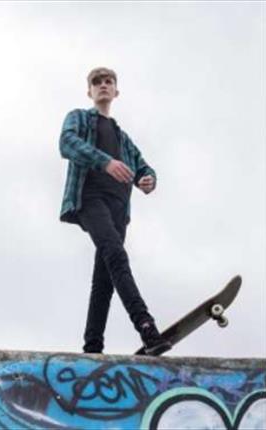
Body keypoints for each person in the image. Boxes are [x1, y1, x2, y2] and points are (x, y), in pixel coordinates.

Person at [59, 67, 171, 355]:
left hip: (118, 209)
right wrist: (105, 162)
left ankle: (92, 347)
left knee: (105, 279)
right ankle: (146, 326)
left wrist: (148, 180)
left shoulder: (123, 138)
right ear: (90, 92)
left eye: (108, 82)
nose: (103, 86)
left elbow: (144, 166)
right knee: (117, 256)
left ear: (116, 91)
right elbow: (67, 143)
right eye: (97, 82)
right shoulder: (80, 118)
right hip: (89, 198)